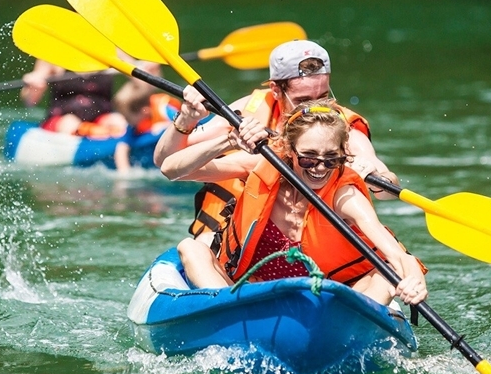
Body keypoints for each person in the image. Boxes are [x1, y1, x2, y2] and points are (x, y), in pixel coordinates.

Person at [161, 99, 428, 307]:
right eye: (309, 157)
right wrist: (228, 140)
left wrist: (414, 281)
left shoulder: (344, 194)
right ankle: (227, 316)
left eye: (331, 158)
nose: (320, 168)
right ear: (289, 151)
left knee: (387, 274)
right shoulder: (264, 165)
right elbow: (171, 169)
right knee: (191, 247)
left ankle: (348, 331)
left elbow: (395, 253)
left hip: (329, 300)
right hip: (252, 295)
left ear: (343, 155)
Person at [153, 39, 400, 248]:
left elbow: (387, 187)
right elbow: (166, 162)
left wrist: (379, 180)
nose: (314, 109)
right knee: (199, 247)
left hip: (312, 240)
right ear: (275, 89)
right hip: (237, 233)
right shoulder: (245, 112)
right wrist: (186, 120)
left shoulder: (342, 126)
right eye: (303, 99)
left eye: (323, 98)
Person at [20, 59, 127, 138]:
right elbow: (29, 102)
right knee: (70, 123)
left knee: (118, 121)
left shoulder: (111, 51)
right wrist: (34, 87)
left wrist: (142, 70)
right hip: (62, 120)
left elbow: (139, 81)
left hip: (100, 119)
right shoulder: (52, 51)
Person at [112, 76, 181, 171]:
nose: (125, 121)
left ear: (144, 111)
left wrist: (166, 126)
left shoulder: (164, 110)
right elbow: (122, 147)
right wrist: (124, 171)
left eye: (127, 117)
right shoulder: (133, 125)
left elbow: (183, 123)